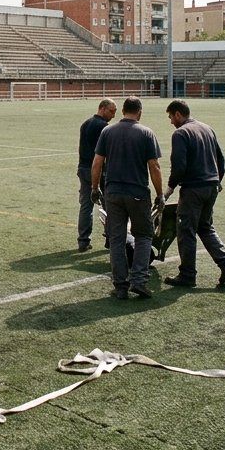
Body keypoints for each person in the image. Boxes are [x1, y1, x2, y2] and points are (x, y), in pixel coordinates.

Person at [90, 96, 165, 299]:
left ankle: (120, 286)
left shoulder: (108, 132)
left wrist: (95, 188)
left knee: (116, 238)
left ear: (123, 111)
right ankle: (139, 281)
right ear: (139, 112)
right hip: (138, 193)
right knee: (143, 236)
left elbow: (97, 163)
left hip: (113, 193)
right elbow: (154, 166)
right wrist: (160, 194)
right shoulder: (146, 133)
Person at [161, 99, 225, 288]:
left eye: (171, 117)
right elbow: (220, 159)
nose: (171, 121)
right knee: (205, 227)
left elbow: (179, 166)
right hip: (211, 187)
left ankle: (187, 275)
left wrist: (170, 187)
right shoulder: (207, 128)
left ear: (178, 114)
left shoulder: (181, 133)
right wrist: (218, 180)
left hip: (193, 189)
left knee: (185, 230)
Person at [76, 98, 117, 252]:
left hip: (83, 168)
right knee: (109, 206)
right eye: (111, 111)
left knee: (86, 206)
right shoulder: (104, 127)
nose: (113, 115)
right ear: (102, 108)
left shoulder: (85, 124)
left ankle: (83, 241)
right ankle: (110, 239)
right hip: (98, 171)